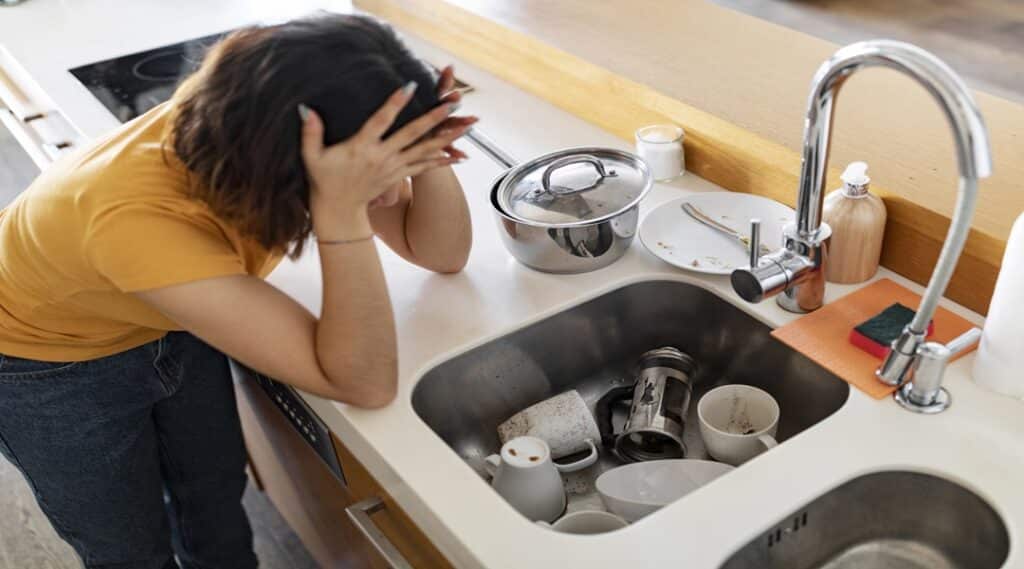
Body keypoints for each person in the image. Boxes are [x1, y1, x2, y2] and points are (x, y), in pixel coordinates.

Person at [0, 13, 474, 569]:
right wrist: (342, 210)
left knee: (215, 492)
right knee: (126, 545)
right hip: (43, 363)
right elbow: (363, 381)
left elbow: (441, 254)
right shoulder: (138, 223)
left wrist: (427, 151)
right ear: (288, 165)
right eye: (374, 174)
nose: (394, 197)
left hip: (162, 311)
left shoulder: (258, 120)